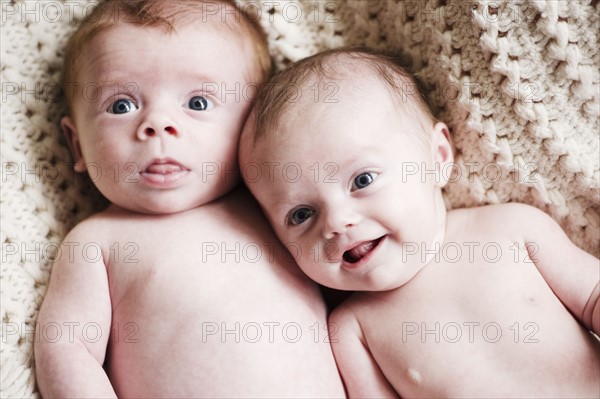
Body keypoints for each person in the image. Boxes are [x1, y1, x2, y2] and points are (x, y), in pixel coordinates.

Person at [239, 47, 600, 398]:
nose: (335, 221)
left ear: (437, 157)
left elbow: (593, 296)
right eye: (301, 214)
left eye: (362, 180)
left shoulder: (512, 230)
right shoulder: (353, 331)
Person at [34, 1, 345, 397]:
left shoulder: (279, 211)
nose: (157, 124)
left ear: (254, 124)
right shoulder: (98, 241)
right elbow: (66, 347)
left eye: (198, 103)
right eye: (121, 105)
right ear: (77, 144)